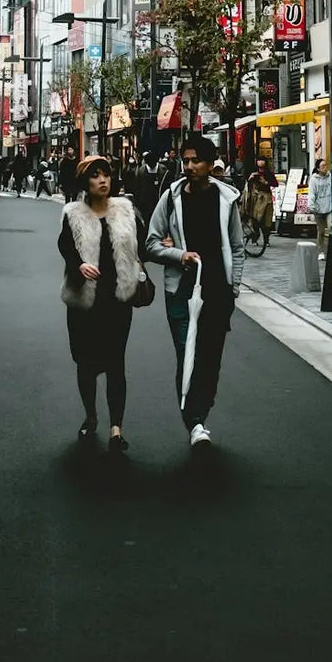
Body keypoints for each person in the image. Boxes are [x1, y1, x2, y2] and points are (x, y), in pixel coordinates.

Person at [146, 133, 245, 449]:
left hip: (217, 290)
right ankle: (195, 422)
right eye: (185, 160)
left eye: (195, 160)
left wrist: (234, 287)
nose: (188, 166)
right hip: (181, 290)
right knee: (187, 352)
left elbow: (238, 247)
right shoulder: (171, 198)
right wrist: (179, 255)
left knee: (210, 358)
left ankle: (201, 413)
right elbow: (150, 243)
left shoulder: (226, 200)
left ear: (210, 163)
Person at [57, 155, 145, 453]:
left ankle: (116, 429)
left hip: (117, 300)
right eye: (95, 175)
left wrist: (167, 245)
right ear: (86, 182)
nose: (103, 180)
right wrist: (80, 265)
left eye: (106, 174)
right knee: (85, 363)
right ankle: (91, 416)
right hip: (84, 301)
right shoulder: (73, 215)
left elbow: (142, 244)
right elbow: (65, 247)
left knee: (115, 362)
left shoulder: (126, 212)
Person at [243, 156, 276, 254]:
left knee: (266, 219)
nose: (260, 162)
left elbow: (275, 183)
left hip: (266, 197)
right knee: (255, 218)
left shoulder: (268, 173)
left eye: (262, 161)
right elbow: (247, 183)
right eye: (259, 160)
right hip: (255, 197)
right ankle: (255, 236)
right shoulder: (253, 172)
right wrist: (250, 178)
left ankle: (266, 238)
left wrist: (265, 182)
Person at [308, 156, 332, 257]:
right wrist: (312, 205)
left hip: (329, 206)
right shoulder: (313, 179)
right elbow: (312, 193)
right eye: (322, 166)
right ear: (318, 168)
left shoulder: (330, 176)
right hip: (318, 208)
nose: (325, 167)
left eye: (325, 165)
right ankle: (321, 251)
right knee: (321, 231)